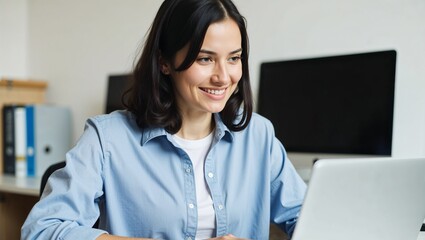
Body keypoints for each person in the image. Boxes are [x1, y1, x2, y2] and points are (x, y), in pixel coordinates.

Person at [21, 0, 306, 239]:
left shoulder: (258, 135)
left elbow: (306, 218)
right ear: (164, 62)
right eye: (205, 59)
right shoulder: (107, 138)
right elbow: (42, 230)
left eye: (234, 58)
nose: (223, 76)